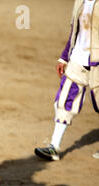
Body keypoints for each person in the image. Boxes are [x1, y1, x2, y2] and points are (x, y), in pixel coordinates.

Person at [34, 0, 99, 161]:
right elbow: (75, 30)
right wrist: (64, 57)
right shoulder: (81, 1)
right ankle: (54, 146)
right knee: (65, 99)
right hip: (78, 57)